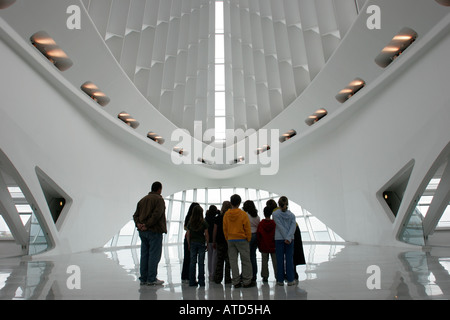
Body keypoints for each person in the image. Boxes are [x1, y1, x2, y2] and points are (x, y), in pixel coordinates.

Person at [133, 181, 167, 286]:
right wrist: (147, 225)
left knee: (144, 254)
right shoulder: (159, 200)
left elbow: (135, 215)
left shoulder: (142, 200)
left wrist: (139, 224)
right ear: (159, 189)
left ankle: (143, 278)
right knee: (154, 255)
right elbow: (156, 215)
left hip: (143, 232)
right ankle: (151, 278)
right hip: (154, 231)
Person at [222, 194, 254, 288]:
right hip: (242, 239)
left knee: (233, 261)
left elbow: (225, 228)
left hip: (231, 239)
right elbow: (247, 228)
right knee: (246, 260)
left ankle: (236, 281)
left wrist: (227, 238)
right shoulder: (243, 214)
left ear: (231, 202)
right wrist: (248, 238)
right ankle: (247, 281)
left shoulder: (226, 214)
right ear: (239, 203)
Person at [272, 196, 296, 286]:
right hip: (290, 240)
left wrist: (285, 237)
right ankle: (290, 279)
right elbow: (293, 227)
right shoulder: (292, 215)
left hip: (279, 239)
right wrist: (288, 237)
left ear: (279, 204)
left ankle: (280, 280)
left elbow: (279, 227)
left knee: (279, 260)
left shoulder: (275, 214)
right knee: (289, 260)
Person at [186, 205, 209, 287]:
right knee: (201, 262)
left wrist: (188, 244)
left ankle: (192, 281)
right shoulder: (203, 222)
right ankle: (201, 281)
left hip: (192, 243)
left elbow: (188, 234)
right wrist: (207, 243)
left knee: (192, 262)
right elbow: (206, 234)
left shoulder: (190, 222)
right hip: (201, 243)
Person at [213, 201, 232, 284]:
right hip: (229, 241)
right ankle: (228, 278)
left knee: (219, 260)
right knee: (228, 261)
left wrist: (213, 241)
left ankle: (218, 278)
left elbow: (215, 230)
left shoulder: (218, 217)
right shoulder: (230, 217)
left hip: (220, 241)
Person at [257, 206, 277, 282]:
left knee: (264, 261)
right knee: (275, 262)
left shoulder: (261, 224)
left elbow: (259, 235)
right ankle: (277, 275)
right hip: (273, 246)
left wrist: (259, 245)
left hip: (264, 246)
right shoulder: (274, 224)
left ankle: (265, 276)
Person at [181, 202, 200, 283]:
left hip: (187, 239)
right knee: (193, 259)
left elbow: (186, 228)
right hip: (194, 239)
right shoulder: (198, 219)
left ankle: (184, 276)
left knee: (186, 258)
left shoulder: (188, 217)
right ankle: (190, 277)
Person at [243, 200, 260, 282]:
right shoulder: (257, 216)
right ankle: (254, 275)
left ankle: (247, 274)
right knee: (253, 256)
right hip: (256, 236)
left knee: (247, 257)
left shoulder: (245, 215)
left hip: (248, 236)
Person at [205, 205, 218, 281]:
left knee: (209, 257)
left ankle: (210, 273)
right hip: (214, 239)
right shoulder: (215, 219)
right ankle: (213, 273)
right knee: (215, 256)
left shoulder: (206, 219)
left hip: (208, 240)